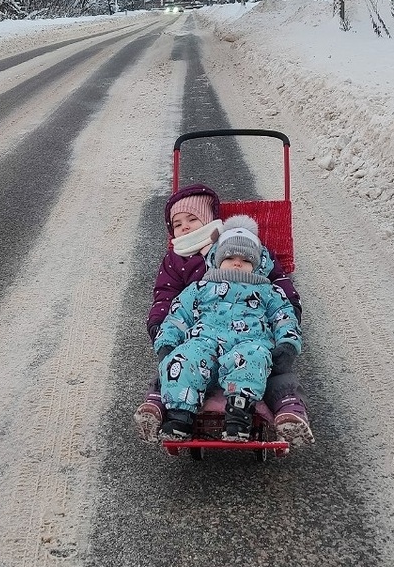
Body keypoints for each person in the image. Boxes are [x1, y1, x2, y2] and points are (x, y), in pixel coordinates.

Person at [134, 185, 313, 444]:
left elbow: (283, 310)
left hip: (248, 340)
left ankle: (246, 413)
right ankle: (175, 414)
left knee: (258, 359)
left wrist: (287, 339)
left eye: (193, 219)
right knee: (180, 360)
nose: (237, 263)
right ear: (217, 260)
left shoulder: (266, 288)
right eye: (230, 258)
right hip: (203, 337)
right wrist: (165, 336)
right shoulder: (195, 281)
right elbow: (176, 309)